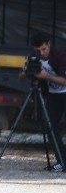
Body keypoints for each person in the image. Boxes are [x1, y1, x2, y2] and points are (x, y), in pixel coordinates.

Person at [25, 32, 66, 165]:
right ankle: (62, 161)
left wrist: (46, 76)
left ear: (49, 45)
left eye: (44, 49)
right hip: (53, 96)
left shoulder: (60, 56)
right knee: (50, 127)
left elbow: (64, 81)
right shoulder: (33, 57)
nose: (41, 53)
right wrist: (26, 71)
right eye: (38, 50)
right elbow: (22, 76)